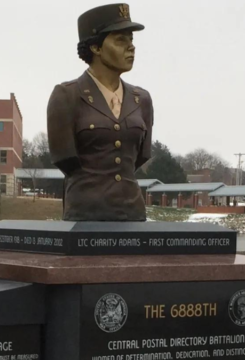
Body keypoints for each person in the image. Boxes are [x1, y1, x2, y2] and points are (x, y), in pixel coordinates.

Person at [47, 3, 154, 221]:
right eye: (120, 40)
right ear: (95, 47)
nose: (131, 47)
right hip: (85, 214)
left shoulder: (141, 99)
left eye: (131, 40)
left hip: (132, 214)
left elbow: (140, 156)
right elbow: (65, 159)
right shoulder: (67, 96)